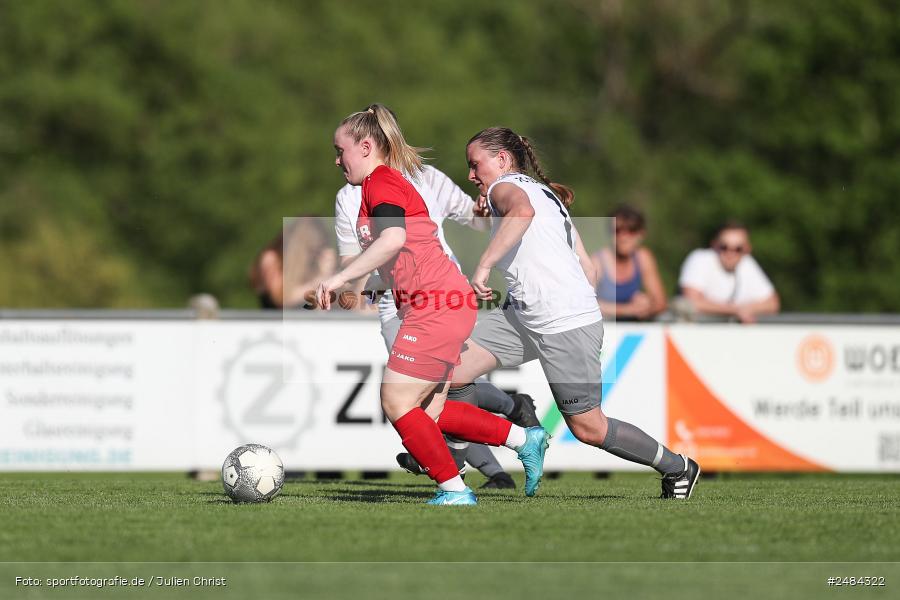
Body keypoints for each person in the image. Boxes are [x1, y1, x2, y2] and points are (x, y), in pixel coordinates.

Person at [448, 127, 701, 499]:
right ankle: (451, 474)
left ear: (502, 160)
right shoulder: (545, 193)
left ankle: (678, 467)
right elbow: (589, 267)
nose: (471, 175)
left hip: (563, 324)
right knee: (452, 372)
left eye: (475, 164)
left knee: (589, 428)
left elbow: (522, 212)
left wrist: (484, 266)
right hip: (525, 317)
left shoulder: (505, 187)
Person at [315, 105, 547, 505]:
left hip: (435, 305)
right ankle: (523, 439)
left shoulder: (380, 182)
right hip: (437, 303)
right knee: (428, 410)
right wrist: (356, 285)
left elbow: (392, 240)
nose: (337, 160)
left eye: (341, 151)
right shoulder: (375, 185)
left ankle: (454, 490)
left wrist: (337, 280)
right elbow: (398, 253)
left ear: (366, 147)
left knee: (396, 400)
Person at [677, 220, 780, 324]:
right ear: (714, 245)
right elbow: (691, 302)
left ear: (747, 249)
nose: (730, 253)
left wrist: (746, 310)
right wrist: (736, 310)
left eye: (738, 249)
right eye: (724, 247)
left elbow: (773, 304)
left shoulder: (747, 263)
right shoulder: (701, 258)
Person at [591, 205, 667, 321]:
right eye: (617, 230)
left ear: (641, 234)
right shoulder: (597, 261)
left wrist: (647, 305)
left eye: (631, 230)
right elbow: (584, 304)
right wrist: (627, 310)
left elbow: (660, 302)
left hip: (633, 328)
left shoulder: (643, 257)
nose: (624, 237)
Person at [250, 218, 337, 309]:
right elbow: (280, 298)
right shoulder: (272, 258)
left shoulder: (313, 262)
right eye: (312, 249)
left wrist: (332, 273)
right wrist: (320, 281)